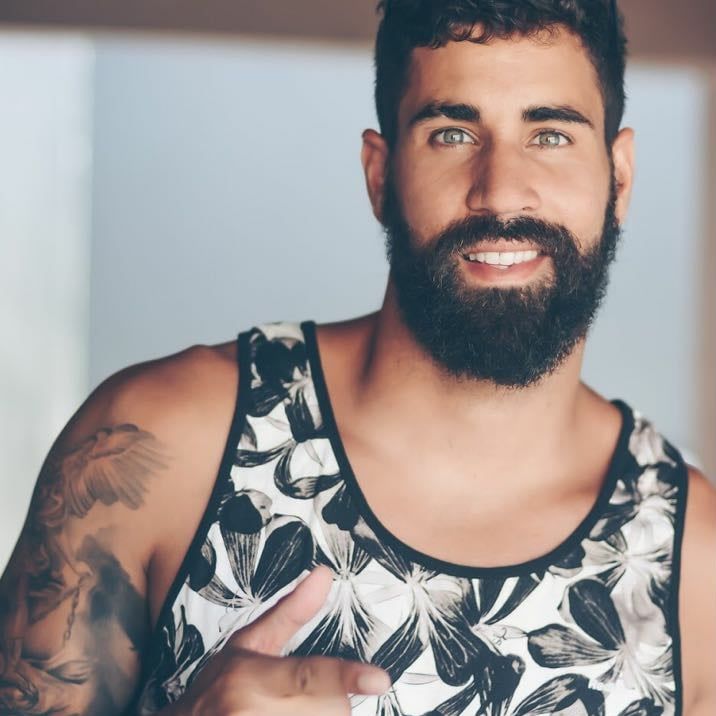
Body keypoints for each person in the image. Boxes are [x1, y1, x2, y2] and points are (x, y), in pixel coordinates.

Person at [1, 0, 715, 714]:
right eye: (452, 133)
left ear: (620, 177)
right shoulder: (155, 446)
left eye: (551, 135)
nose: (500, 191)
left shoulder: (695, 560)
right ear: (380, 175)